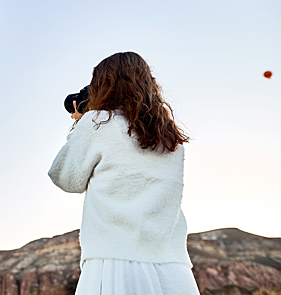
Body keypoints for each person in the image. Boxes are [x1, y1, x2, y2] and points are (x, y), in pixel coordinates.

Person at [48, 52, 200, 295]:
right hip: (173, 267)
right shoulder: (170, 138)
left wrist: (79, 124)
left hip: (114, 261)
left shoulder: (97, 123)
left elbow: (65, 178)